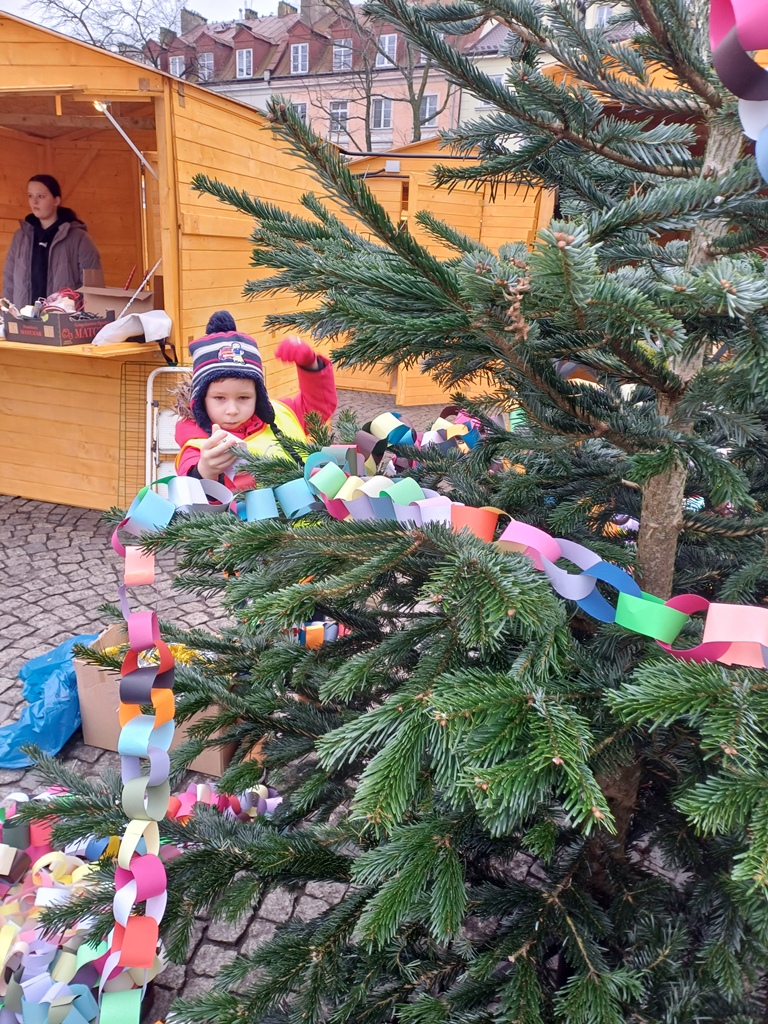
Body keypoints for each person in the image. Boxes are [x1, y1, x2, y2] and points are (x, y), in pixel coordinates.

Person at [175, 311, 337, 488]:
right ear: (201, 399)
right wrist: (205, 471)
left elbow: (318, 409)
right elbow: (189, 489)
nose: (232, 410)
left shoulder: (282, 413)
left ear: (258, 395)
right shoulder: (198, 444)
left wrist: (311, 365)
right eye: (219, 398)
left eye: (243, 397)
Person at [2, 175, 102, 308]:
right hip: (23, 318)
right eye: (30, 196)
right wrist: (6, 313)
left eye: (41, 196)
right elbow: (9, 282)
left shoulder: (80, 239)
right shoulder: (20, 237)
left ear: (56, 200)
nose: (34, 202)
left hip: (63, 319)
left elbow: (93, 289)